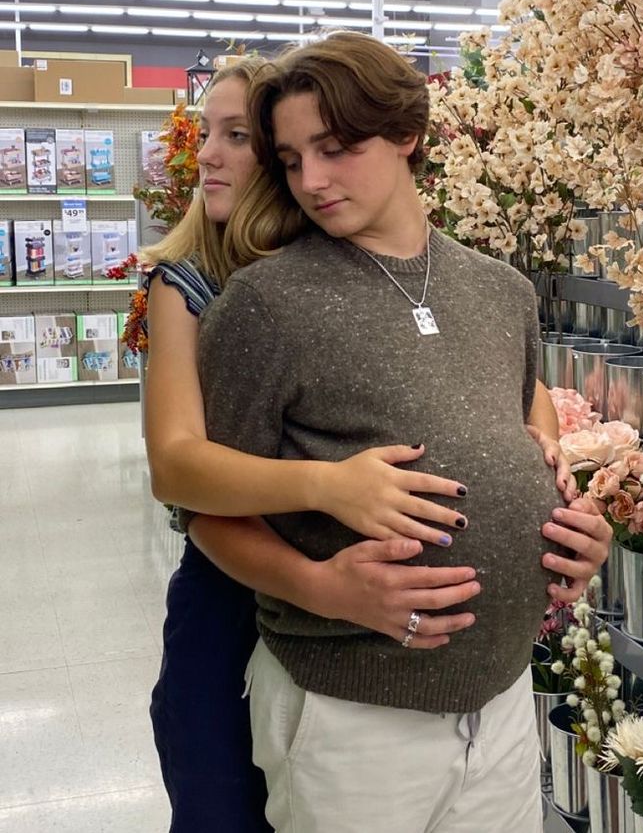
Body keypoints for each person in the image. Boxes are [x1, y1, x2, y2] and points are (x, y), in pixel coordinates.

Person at [194, 33, 612, 833]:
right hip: (349, 713)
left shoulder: (502, 292)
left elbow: (526, 426)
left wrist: (569, 529)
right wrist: (324, 587)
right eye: (290, 159)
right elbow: (209, 509)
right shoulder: (264, 306)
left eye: (336, 147)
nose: (312, 180)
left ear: (407, 134)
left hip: (501, 704)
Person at [144, 56, 512, 833]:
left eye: (238, 137)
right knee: (221, 802)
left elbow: (513, 404)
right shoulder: (211, 290)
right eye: (285, 154)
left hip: (464, 694)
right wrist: (325, 487)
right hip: (248, 605)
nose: (210, 154)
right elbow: (177, 469)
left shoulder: (416, 274)